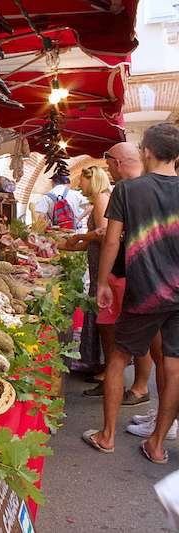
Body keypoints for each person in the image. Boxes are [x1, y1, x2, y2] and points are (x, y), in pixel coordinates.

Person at [84, 124, 179, 463]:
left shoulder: (128, 190)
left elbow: (112, 240)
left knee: (118, 358)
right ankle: (157, 445)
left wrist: (103, 282)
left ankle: (107, 436)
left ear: (147, 151)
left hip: (145, 291)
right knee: (173, 366)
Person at [61, 166, 112, 383]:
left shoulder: (101, 198)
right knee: (98, 313)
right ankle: (99, 364)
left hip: (102, 265)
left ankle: (106, 368)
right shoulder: (100, 199)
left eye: (81, 181)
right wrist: (67, 246)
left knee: (102, 315)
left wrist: (79, 237)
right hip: (97, 262)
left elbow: (102, 234)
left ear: (92, 180)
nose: (79, 185)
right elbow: (94, 240)